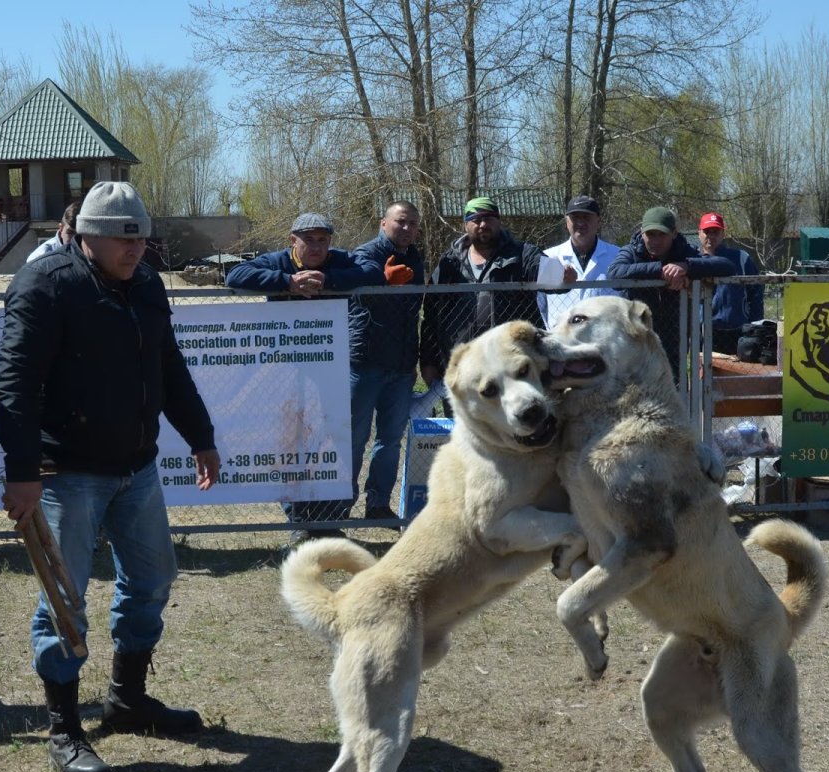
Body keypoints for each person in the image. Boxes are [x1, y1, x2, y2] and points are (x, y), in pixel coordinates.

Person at [0, 181, 221, 772]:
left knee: (151, 580)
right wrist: (21, 473)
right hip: (65, 473)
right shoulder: (45, 286)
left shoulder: (146, 284)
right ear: (84, 234)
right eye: (122, 239)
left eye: (141, 237)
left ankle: (127, 700)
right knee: (64, 603)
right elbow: (14, 386)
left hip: (136, 467)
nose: (134, 249)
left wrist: (200, 435)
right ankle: (65, 728)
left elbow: (167, 366)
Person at [225, 212, 383, 539]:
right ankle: (297, 520)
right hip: (285, 367)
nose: (316, 246)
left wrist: (329, 281)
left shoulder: (338, 261)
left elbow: (372, 271)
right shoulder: (278, 262)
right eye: (308, 239)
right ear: (292, 240)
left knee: (329, 439)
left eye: (322, 239)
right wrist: (288, 283)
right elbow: (236, 275)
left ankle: (327, 522)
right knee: (290, 441)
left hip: (329, 367)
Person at [421, 196, 576, 383]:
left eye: (489, 218)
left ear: (499, 222)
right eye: (476, 219)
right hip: (462, 363)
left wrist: (562, 277)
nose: (483, 224)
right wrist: (429, 362)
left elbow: (545, 274)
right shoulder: (449, 263)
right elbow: (431, 315)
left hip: (512, 361)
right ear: (465, 225)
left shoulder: (522, 254)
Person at [345, 201, 425, 522]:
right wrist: (384, 282)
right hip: (365, 364)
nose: (407, 229)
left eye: (413, 224)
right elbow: (358, 294)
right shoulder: (365, 254)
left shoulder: (416, 258)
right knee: (354, 438)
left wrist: (414, 359)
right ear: (383, 223)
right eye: (400, 222)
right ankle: (340, 505)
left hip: (402, 367)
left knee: (390, 440)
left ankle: (377, 505)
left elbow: (414, 311)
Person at [606, 206, 736, 370]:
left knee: (675, 389)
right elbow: (614, 274)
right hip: (637, 337)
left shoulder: (683, 250)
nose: (655, 240)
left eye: (662, 234)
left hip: (674, 339)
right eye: (650, 234)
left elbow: (727, 266)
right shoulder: (631, 251)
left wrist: (686, 267)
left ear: (674, 233)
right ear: (641, 232)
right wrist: (662, 270)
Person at [537, 195, 621, 330]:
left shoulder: (618, 256)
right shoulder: (549, 257)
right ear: (566, 222)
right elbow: (542, 306)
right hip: (562, 342)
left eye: (587, 217)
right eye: (575, 217)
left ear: (598, 221)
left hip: (604, 342)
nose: (581, 223)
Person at [697, 211, 764, 355]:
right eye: (707, 231)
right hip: (705, 331)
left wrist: (754, 326)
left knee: (737, 375)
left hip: (738, 331)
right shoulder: (692, 261)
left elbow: (756, 293)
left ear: (723, 234)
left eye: (716, 232)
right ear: (699, 233)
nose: (711, 236)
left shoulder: (741, 258)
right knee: (705, 375)